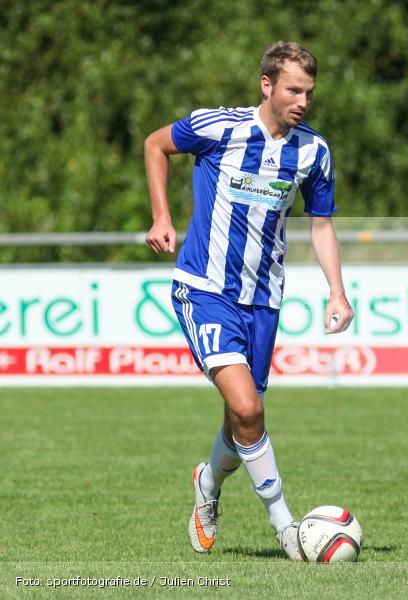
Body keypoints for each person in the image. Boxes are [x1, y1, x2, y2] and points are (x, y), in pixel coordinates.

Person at [144, 41, 353, 560]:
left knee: (242, 420)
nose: (303, 101)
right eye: (293, 90)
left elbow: (321, 224)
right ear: (267, 85)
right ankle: (285, 527)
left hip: (263, 300)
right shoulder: (220, 127)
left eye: (309, 92)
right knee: (246, 407)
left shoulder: (313, 151)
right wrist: (162, 216)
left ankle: (208, 484)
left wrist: (337, 290)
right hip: (204, 289)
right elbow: (155, 145)